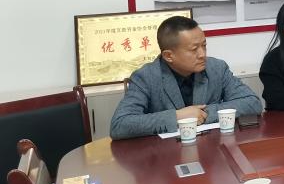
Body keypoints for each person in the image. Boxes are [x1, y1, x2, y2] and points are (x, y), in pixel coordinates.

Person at [110, 16, 262, 139]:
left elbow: (252, 103)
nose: (202, 54)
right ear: (168, 56)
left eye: (204, 46)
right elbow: (120, 125)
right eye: (194, 49)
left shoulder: (216, 68)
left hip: (211, 151)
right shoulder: (146, 77)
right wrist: (177, 117)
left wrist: (205, 114)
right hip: (164, 156)